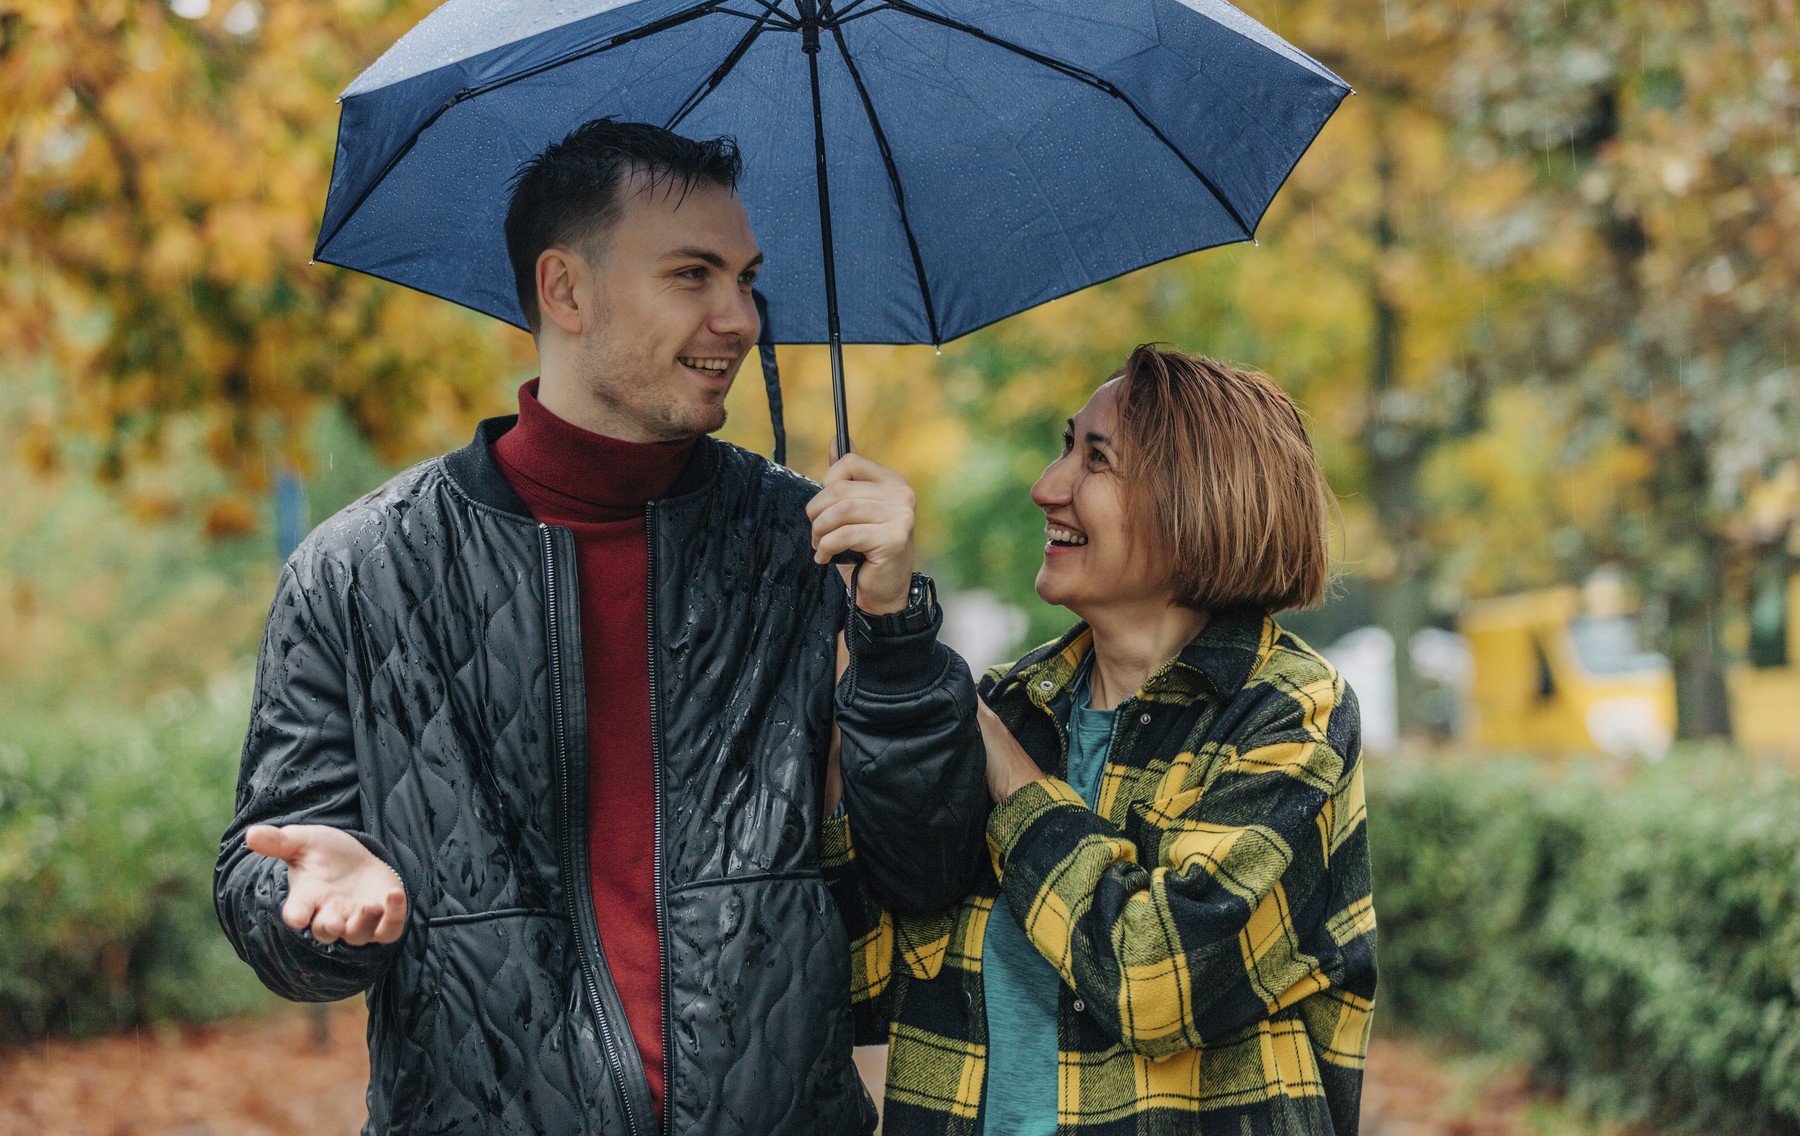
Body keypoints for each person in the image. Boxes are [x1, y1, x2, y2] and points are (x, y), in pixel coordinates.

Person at [214, 119, 988, 1136]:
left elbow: (928, 873)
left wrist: (891, 626)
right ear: (565, 291)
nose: (742, 317)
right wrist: (320, 903)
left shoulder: (803, 546)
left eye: (747, 278)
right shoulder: (362, 571)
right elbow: (264, 884)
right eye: (693, 275)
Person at [827, 345, 1377, 1134]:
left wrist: (1005, 771)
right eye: (1062, 448)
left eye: (1095, 459)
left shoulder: (1287, 713)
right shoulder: (1011, 706)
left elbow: (1154, 980)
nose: (1045, 486)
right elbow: (862, 980)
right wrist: (856, 682)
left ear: (1197, 498)